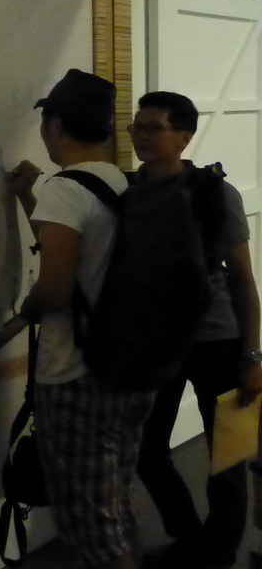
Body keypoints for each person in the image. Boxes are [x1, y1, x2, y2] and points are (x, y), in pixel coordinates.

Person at [9, 68, 153, 569]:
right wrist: (28, 196)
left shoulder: (65, 189)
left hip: (77, 376)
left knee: (89, 523)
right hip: (126, 367)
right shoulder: (117, 180)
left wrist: (27, 308)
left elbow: (55, 286)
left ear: (54, 125)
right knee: (115, 502)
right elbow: (80, 251)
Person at [130, 91, 262, 569]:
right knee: (145, 451)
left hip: (218, 342)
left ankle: (219, 554)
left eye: (153, 128)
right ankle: (190, 538)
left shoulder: (216, 193)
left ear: (184, 136)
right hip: (157, 344)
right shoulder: (127, 190)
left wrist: (253, 355)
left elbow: (243, 278)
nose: (140, 136)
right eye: (136, 127)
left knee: (228, 456)